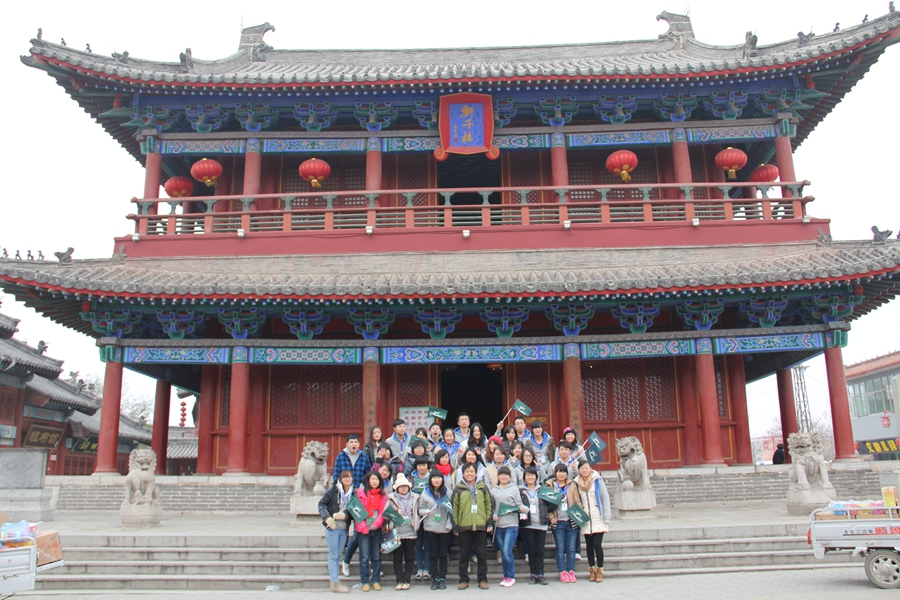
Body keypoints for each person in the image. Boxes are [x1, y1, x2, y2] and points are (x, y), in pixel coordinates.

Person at [451, 462, 493, 590]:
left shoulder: (483, 488)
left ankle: (482, 579)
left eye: (472, 471)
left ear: (476, 473)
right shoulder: (458, 489)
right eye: (467, 471)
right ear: (463, 474)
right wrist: (455, 526)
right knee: (464, 555)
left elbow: (489, 506)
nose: (469, 474)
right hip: (464, 526)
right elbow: (454, 509)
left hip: (480, 525)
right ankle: (463, 580)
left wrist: (489, 522)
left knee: (482, 554)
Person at [319, 469, 355, 593]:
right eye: (345, 477)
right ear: (340, 479)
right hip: (333, 528)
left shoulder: (353, 493)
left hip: (343, 529)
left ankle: (335, 581)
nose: (347, 479)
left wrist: (346, 516)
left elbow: (354, 511)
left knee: (338, 555)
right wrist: (327, 518)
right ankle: (335, 583)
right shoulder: (333, 490)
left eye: (349, 477)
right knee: (333, 555)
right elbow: (321, 504)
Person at [490, 466, 527, 587]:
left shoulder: (514, 489)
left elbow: (519, 503)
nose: (504, 477)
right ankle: (506, 576)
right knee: (503, 552)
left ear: (510, 477)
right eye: (501, 475)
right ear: (498, 476)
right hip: (498, 525)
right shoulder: (493, 490)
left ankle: (511, 576)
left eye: (506, 475)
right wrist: (494, 515)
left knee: (507, 551)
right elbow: (492, 506)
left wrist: (523, 508)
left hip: (511, 524)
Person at [574, 460, 610, 583]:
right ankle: (592, 569)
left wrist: (607, 516)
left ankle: (600, 569)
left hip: (598, 516)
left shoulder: (597, 480)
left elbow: (605, 498)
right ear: (579, 471)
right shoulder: (576, 483)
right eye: (582, 469)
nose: (584, 470)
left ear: (590, 469)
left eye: (586, 468)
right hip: (585, 518)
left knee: (597, 544)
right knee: (589, 546)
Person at [418, 469, 452, 590]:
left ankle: (442, 577)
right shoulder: (425, 493)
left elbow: (451, 511)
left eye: (439, 478)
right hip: (430, 527)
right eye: (434, 478)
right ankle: (434, 578)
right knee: (433, 554)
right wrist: (425, 512)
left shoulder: (448, 492)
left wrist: (449, 524)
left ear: (442, 479)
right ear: (430, 479)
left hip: (444, 527)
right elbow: (420, 509)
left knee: (442, 554)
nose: (436, 480)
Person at [547, 463, 581, 583]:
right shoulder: (550, 486)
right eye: (559, 472)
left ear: (567, 473)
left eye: (563, 472)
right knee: (560, 548)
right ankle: (562, 571)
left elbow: (577, 501)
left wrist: (579, 516)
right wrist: (551, 517)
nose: (561, 474)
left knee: (571, 548)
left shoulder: (572, 485)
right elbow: (547, 506)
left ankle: (571, 571)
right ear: (555, 473)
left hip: (571, 521)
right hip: (558, 522)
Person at [355, 471, 389, 591]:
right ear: (368, 480)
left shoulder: (382, 494)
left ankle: (375, 580)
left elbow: (383, 511)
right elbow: (356, 512)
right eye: (373, 479)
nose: (375, 481)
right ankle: (365, 581)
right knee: (364, 556)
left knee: (376, 556)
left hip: (376, 529)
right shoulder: (360, 494)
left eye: (377, 479)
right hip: (363, 530)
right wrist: (363, 527)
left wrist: (377, 524)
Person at [388, 473, 420, 590]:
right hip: (397, 532)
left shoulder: (415, 497)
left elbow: (419, 511)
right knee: (397, 557)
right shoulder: (391, 498)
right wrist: (395, 513)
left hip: (410, 531)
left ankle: (407, 580)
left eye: (405, 486)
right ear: (396, 488)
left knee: (409, 557)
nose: (403, 488)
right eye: (401, 487)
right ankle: (399, 580)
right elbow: (386, 514)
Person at [519, 467, 550, 585]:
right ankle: (533, 574)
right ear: (524, 477)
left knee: (540, 550)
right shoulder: (520, 491)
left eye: (532, 475)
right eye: (528, 475)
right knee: (531, 550)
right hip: (528, 524)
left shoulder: (542, 489)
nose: (530, 477)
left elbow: (550, 503)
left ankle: (540, 574)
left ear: (536, 477)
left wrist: (547, 514)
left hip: (541, 524)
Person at [411, 457, 432, 581]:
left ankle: (427, 568)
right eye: (419, 465)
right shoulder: (411, 478)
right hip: (415, 514)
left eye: (424, 465)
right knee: (418, 543)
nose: (422, 468)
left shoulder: (431, 478)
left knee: (427, 543)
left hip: (429, 513)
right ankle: (420, 568)